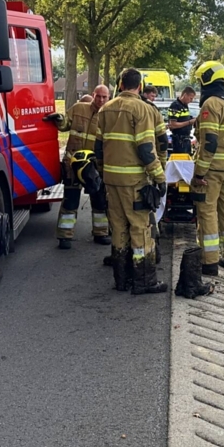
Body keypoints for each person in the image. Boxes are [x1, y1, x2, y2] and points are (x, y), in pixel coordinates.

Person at [96, 68, 168, 295]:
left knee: (118, 228)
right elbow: (147, 149)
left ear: (120, 84)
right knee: (140, 228)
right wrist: (159, 177)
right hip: (134, 181)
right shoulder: (142, 109)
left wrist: (103, 172)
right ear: (139, 86)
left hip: (111, 180)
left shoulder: (105, 109)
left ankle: (121, 280)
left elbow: (99, 148)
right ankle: (144, 281)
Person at [191, 61, 224, 274]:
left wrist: (199, 173)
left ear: (206, 78)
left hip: (211, 171)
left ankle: (209, 261)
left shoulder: (211, 104)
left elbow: (210, 142)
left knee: (207, 213)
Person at [44, 85, 111, 249]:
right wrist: (59, 119)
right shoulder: (79, 108)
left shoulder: (110, 115)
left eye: (104, 97)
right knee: (70, 200)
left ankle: (101, 233)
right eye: (98, 96)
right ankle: (64, 237)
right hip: (72, 165)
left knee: (99, 201)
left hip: (95, 167)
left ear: (109, 98)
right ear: (93, 95)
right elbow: (65, 125)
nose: (101, 100)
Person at [168, 86, 197, 155]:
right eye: (190, 98)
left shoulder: (185, 105)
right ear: (185, 95)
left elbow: (183, 118)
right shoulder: (175, 106)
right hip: (179, 140)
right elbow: (173, 125)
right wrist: (189, 122)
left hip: (186, 139)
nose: (191, 100)